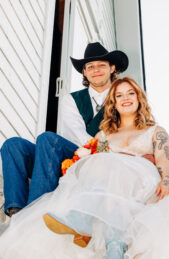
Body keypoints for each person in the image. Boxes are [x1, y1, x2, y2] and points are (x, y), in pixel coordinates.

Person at [1, 77, 169, 259]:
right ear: (114, 103)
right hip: (115, 186)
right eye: (119, 95)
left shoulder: (155, 131)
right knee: (100, 167)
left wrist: (166, 181)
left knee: (112, 166)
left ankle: (82, 219)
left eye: (130, 93)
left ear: (139, 98)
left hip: (143, 182)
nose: (126, 98)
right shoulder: (104, 135)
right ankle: (114, 251)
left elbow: (163, 160)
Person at [0, 42, 129, 217]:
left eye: (101, 65)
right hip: (71, 154)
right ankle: (16, 210)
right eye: (90, 67)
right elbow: (77, 134)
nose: (95, 70)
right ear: (84, 72)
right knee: (12, 144)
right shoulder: (71, 99)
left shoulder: (123, 97)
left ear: (112, 68)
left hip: (101, 159)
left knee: (47, 139)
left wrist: (103, 149)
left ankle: (35, 210)